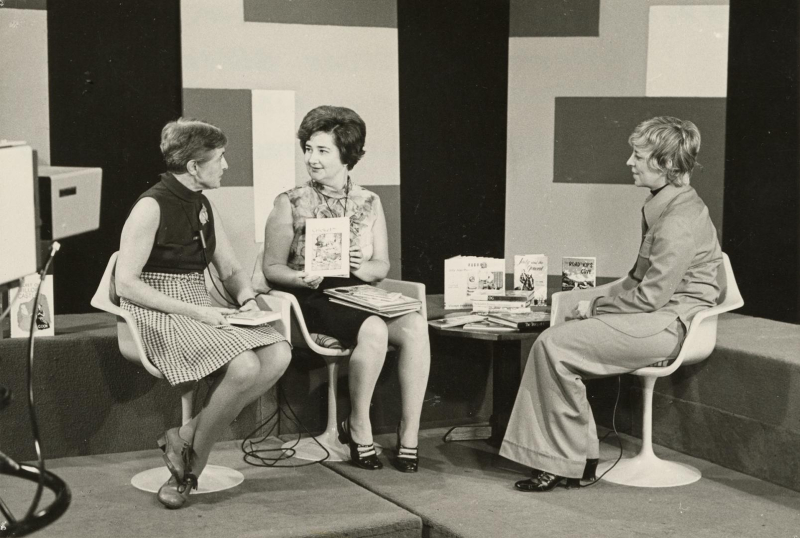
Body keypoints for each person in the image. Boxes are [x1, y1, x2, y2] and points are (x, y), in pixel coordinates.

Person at [501, 116, 722, 492]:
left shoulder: (680, 218)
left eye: (638, 155)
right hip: (658, 316)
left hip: (672, 325)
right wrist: (592, 302)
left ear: (665, 164)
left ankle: (568, 462)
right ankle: (577, 458)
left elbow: (652, 295)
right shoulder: (665, 205)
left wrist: (594, 309)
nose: (629, 163)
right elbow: (639, 280)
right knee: (557, 340)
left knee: (554, 345)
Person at [116, 118, 292, 508]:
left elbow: (228, 269)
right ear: (194, 166)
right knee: (244, 366)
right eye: (219, 158)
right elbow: (126, 283)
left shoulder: (202, 203)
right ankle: (190, 471)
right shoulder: (150, 206)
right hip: (156, 308)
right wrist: (195, 312)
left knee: (279, 352)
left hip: (197, 304)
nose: (226, 166)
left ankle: (186, 435)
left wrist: (246, 299)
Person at [262, 105, 430, 472]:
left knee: (416, 324)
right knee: (372, 327)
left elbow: (381, 266)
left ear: (346, 154)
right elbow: (271, 269)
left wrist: (359, 265)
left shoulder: (369, 202)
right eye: (308, 148)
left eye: (322, 150)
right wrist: (301, 276)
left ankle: (410, 432)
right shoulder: (289, 201)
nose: (311, 158)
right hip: (310, 295)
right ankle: (359, 425)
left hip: (357, 292)